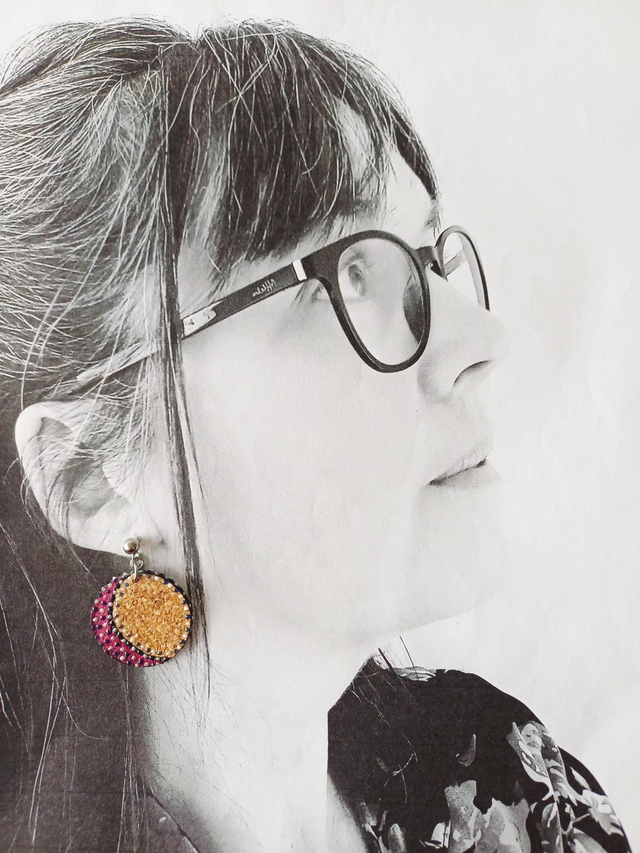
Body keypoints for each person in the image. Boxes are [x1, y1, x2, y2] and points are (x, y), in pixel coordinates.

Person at [0, 17, 631, 853]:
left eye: (425, 260)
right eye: (346, 274)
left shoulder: (505, 780)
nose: (483, 339)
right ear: (90, 475)